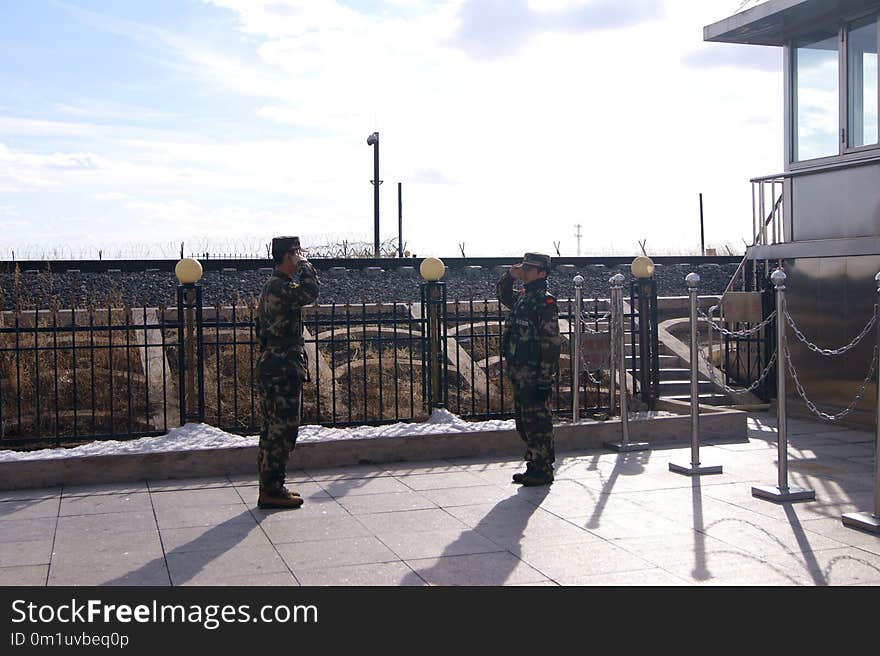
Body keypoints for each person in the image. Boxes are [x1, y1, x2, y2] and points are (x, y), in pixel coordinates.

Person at [254, 236, 319, 509]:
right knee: (281, 430)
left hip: (277, 364)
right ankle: (271, 489)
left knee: (274, 429)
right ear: (286, 255)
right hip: (281, 367)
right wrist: (306, 265)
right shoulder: (279, 287)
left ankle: (272, 485)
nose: (300, 255)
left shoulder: (275, 286)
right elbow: (311, 292)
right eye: (297, 252)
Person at [497, 252, 562, 486]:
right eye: (522, 268)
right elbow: (503, 294)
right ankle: (534, 464)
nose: (524, 272)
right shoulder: (525, 297)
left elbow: (552, 342)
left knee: (538, 423)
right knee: (524, 423)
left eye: (529, 269)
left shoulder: (544, 302)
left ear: (542, 273)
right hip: (519, 372)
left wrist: (545, 378)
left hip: (535, 374)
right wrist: (509, 276)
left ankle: (543, 469)